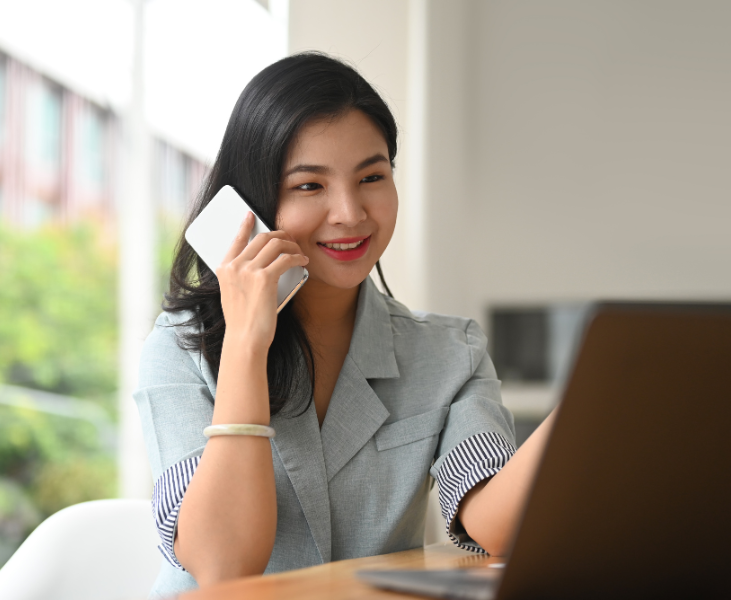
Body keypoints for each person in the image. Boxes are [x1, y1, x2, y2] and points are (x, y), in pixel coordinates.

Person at [134, 52, 557, 598]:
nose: (351, 213)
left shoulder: (450, 351)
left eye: (372, 176)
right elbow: (223, 564)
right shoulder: (179, 348)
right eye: (310, 186)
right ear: (247, 204)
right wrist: (244, 343)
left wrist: (594, 397)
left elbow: (494, 526)